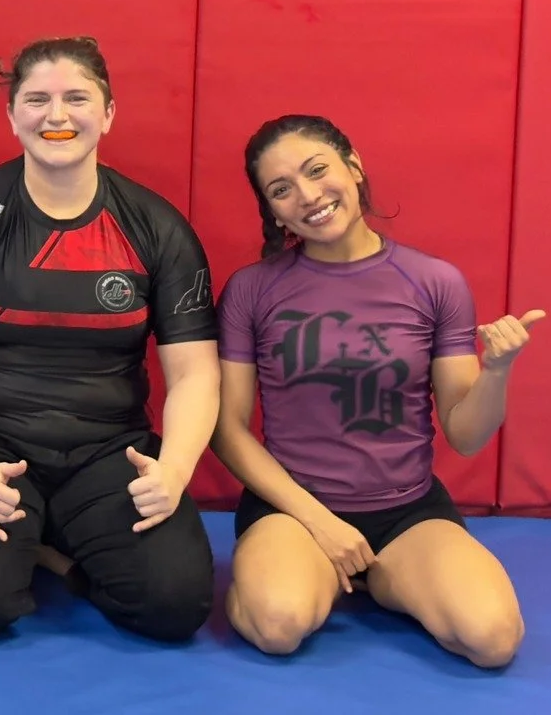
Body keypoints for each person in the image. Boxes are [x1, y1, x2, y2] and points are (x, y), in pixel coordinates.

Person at [0, 36, 218, 642]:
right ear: (12, 116)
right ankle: (39, 541)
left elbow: (195, 373)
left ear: (108, 113)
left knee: (175, 605)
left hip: (110, 451)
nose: (57, 116)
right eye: (37, 100)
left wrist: (174, 471)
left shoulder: (157, 227)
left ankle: (53, 544)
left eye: (77, 98)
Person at [214, 114, 531, 667]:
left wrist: (497, 371)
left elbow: (465, 434)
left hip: (406, 512)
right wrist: (321, 524)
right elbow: (227, 430)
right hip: (296, 511)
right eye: (282, 189)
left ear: (354, 166)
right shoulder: (251, 290)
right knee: (277, 624)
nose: (307, 195)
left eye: (317, 170)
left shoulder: (434, 282)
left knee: (493, 639)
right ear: (273, 210)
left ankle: (384, 578)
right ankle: (313, 572)